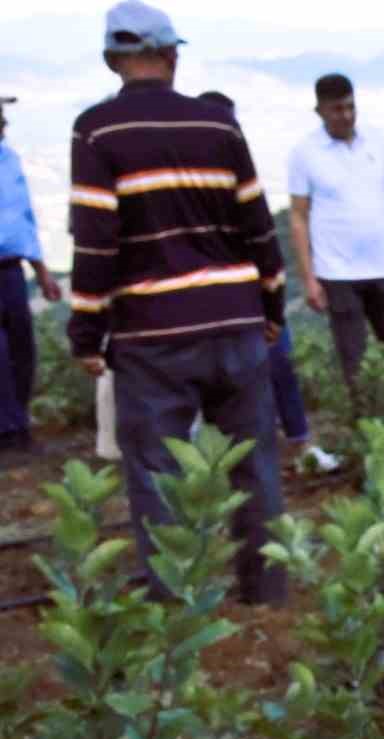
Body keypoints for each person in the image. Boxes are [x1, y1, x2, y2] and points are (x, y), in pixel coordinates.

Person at [68, 0, 289, 605]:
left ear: (114, 60)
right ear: (171, 55)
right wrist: (271, 307)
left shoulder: (97, 130)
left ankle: (174, 614)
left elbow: (95, 241)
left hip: (151, 335)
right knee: (255, 465)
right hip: (235, 321)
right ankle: (267, 595)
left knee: (156, 477)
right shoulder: (219, 127)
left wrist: (85, 333)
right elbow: (258, 225)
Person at [198, 89, 337, 474]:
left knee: (280, 367)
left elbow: (263, 241)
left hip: (251, 294)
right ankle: (222, 457)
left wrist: (272, 300)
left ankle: (298, 444)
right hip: (218, 299)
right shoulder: (195, 183)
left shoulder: (238, 173)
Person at [287, 73, 384, 413]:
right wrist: (309, 277)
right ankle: (366, 425)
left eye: (350, 107)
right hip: (337, 272)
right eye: (336, 109)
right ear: (319, 111)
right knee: (354, 358)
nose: (345, 115)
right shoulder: (305, 153)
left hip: (381, 265)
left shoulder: (375, 142)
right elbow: (299, 217)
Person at [0, 94, 63, 456]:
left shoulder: (10, 161)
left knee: (22, 350)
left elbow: (24, 219)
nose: (4, 124)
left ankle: (18, 423)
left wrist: (42, 272)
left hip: (11, 269)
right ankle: (9, 432)